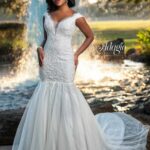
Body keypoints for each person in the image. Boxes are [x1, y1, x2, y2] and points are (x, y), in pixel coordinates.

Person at [12, 0, 150, 149]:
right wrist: (39, 48)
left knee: (66, 94)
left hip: (65, 61)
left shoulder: (76, 16)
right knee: (45, 94)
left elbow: (90, 36)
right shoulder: (46, 15)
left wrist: (76, 54)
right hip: (48, 62)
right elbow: (46, 39)